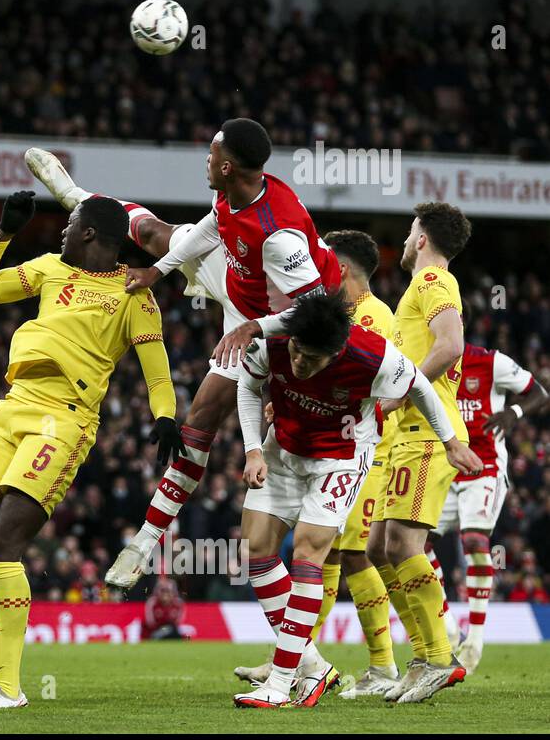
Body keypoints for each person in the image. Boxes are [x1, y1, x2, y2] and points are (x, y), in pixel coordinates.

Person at [23, 121, 342, 596]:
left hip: (279, 326)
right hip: (238, 284)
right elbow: (213, 225)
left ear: (228, 165)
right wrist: (157, 270)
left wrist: (253, 328)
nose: (206, 160)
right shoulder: (237, 192)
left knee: (203, 414)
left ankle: (145, 543)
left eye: (211, 154)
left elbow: (314, 313)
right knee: (154, 232)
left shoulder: (280, 239)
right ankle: (76, 197)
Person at [0, 189, 182, 710]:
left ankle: (7, 687)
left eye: (70, 222)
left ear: (91, 232)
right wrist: (2, 235)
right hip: (11, 407)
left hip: (66, 419)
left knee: (5, 541)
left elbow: (156, 368)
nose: (61, 231)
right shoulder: (51, 267)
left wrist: (165, 418)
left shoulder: (133, 293)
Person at [233, 294, 482, 708]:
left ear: (336, 351)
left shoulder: (373, 356)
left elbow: (420, 386)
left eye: (312, 360)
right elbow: (248, 385)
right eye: (296, 352)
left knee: (309, 554)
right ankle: (311, 666)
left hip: (340, 460)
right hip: (284, 450)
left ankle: (281, 682)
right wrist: (252, 449)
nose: (299, 364)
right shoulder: (272, 341)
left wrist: (451, 442)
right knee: (256, 549)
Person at [366, 203, 478, 704]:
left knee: (404, 548)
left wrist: (401, 392)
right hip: (405, 437)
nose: (407, 239)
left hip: (430, 436)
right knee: (378, 549)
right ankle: (424, 655)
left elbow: (451, 344)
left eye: (412, 230)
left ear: (423, 239)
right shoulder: (419, 287)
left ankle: (437, 659)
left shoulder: (435, 280)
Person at [436, 341, 546, 672]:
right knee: (408, 542)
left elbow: (539, 392)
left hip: (484, 469)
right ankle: (447, 624)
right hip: (442, 468)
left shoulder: (491, 362)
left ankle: (476, 640)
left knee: (474, 541)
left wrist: (513, 412)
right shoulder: (430, 361)